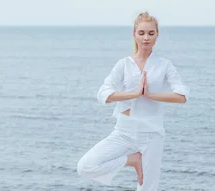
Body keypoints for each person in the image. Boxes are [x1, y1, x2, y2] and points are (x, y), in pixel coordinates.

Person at [76, 11, 190, 191]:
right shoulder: (124, 64)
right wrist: (135, 94)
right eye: (142, 33)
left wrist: (151, 95)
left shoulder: (164, 65)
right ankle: (132, 160)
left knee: (148, 188)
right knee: (86, 166)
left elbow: (182, 96)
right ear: (134, 34)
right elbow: (104, 94)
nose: (146, 38)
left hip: (151, 134)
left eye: (151, 33)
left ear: (157, 35)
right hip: (123, 132)